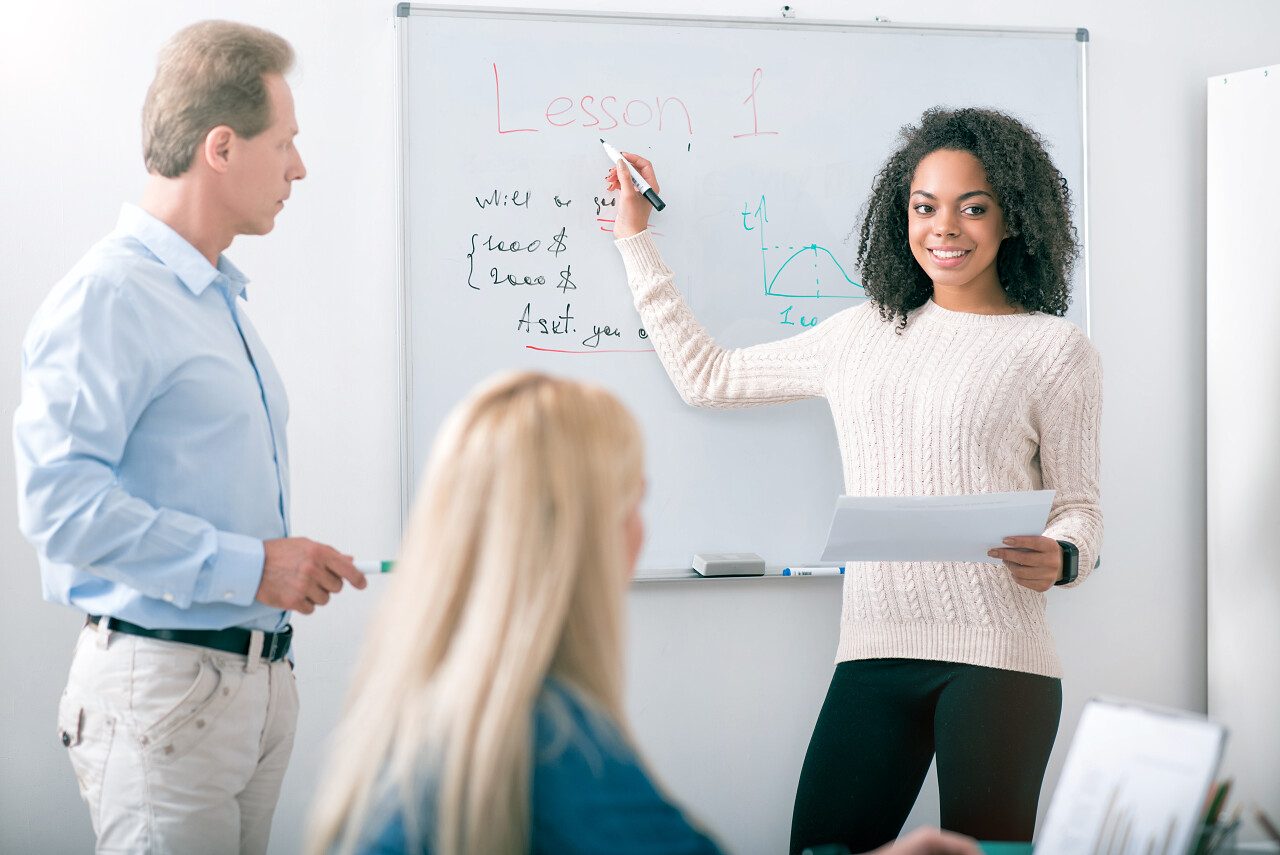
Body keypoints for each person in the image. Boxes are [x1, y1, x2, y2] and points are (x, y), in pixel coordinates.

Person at [601, 107, 1102, 853]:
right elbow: (707, 376)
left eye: (974, 207)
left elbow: (1081, 509)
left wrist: (1061, 556)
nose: (946, 228)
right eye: (925, 207)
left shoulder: (1056, 349)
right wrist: (634, 240)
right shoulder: (860, 334)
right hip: (872, 651)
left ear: (1012, 219)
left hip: (1002, 658)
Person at [306, 371, 981, 855]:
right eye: (633, 503)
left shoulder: (428, 705)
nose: (640, 531)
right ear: (578, 529)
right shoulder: (550, 740)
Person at [13, 20, 366, 854]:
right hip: (166, 694)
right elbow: (59, 507)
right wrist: (255, 564)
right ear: (221, 147)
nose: (299, 168)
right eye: (285, 143)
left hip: (246, 687)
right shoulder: (111, 296)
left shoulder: (213, 299)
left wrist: (278, 571)